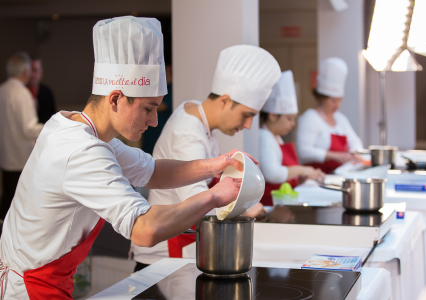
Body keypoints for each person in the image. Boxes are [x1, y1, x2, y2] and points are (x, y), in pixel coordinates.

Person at [0, 16, 250, 299]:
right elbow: (144, 228)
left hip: (44, 279)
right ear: (116, 98)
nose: (154, 120)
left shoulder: (76, 127)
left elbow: (153, 171)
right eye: (148, 108)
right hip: (31, 287)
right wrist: (216, 196)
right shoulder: (80, 151)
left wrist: (216, 164)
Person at [132, 44, 282, 270]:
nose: (249, 125)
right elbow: (196, 197)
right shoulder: (187, 132)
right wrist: (244, 206)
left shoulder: (194, 115)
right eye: (246, 115)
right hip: (164, 257)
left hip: (185, 245)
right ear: (224, 100)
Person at [259, 71, 325, 206]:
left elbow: (284, 175)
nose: (293, 124)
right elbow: (272, 173)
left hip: (281, 202)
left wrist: (300, 178)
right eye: (289, 119)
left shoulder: (276, 137)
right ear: (272, 116)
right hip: (270, 205)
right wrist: (303, 169)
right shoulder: (264, 136)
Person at [296, 58, 363, 174]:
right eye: (333, 100)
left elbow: (355, 141)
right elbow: (303, 151)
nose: (337, 104)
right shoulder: (310, 118)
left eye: (340, 100)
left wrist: (355, 152)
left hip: (337, 175)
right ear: (321, 98)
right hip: (316, 177)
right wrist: (333, 156)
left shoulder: (341, 119)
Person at [0, 52, 44, 221]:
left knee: (7, 196)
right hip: (21, 157)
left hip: (5, 155)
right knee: (21, 201)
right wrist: (49, 127)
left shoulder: (2, 90)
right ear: (25, 71)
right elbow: (29, 129)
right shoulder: (23, 93)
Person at [27, 55, 57, 124]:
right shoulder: (21, 92)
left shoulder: (47, 92)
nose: (32, 74)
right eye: (30, 70)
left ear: (41, 72)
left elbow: (51, 116)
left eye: (35, 70)